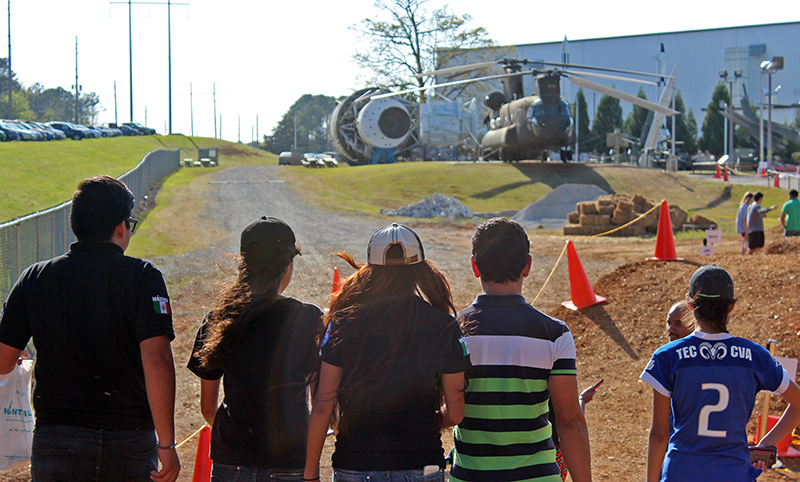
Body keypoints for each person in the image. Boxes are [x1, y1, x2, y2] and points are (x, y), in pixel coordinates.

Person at [0, 175, 180, 482]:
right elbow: (157, 359)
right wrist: (166, 443)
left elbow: (3, 361)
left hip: (57, 437)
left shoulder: (35, 277)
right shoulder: (143, 277)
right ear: (121, 226)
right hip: (130, 438)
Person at [304, 223, 470, 482]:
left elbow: (323, 407)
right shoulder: (444, 326)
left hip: (356, 464)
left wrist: (310, 475)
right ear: (419, 270)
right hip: (421, 465)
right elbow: (457, 413)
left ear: (370, 271)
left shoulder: (342, 323)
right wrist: (427, 421)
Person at [450, 218, 591, 482]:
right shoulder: (554, 334)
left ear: (474, 266)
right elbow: (570, 421)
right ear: (527, 266)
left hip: (471, 476)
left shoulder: (453, 331)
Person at [188, 216, 323, 482]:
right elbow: (320, 404)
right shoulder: (309, 318)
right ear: (287, 266)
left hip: (232, 461)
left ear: (244, 266)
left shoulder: (219, 319)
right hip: (290, 459)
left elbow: (207, 408)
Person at [642, 265, 800, 482]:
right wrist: (766, 445)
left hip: (682, 472)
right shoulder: (754, 356)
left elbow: (659, 435)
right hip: (734, 473)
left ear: (690, 305)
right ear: (731, 307)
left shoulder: (668, 356)